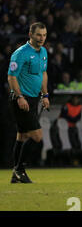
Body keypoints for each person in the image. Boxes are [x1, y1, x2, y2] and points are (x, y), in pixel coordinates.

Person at [7, 22, 50, 183]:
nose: (42, 38)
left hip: (33, 99)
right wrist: (19, 97)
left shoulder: (44, 52)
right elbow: (11, 77)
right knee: (37, 137)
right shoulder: (20, 53)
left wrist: (45, 95)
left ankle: (15, 174)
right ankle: (19, 169)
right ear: (30, 35)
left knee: (22, 136)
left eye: (44, 35)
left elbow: (43, 73)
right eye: (39, 35)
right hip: (21, 99)